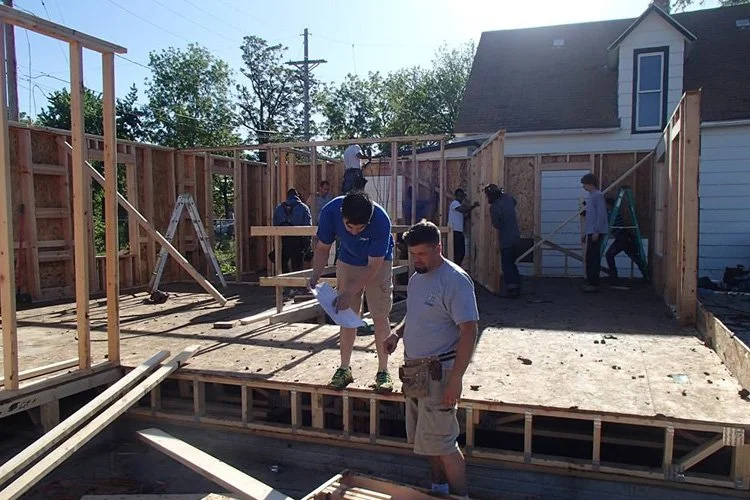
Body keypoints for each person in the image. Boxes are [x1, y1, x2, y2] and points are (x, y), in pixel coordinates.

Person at [384, 220, 478, 499]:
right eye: (412, 254)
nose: (417, 260)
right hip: (415, 371)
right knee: (426, 442)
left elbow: (469, 330)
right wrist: (397, 333)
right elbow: (414, 315)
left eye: (422, 254)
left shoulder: (455, 281)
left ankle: (461, 496)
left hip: (440, 372)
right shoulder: (417, 278)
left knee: (444, 443)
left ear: (439, 248)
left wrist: (456, 380)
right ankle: (439, 491)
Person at [309, 191, 395, 392]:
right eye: (349, 226)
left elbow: (373, 266)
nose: (355, 232)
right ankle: (344, 368)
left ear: (370, 218)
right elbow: (322, 249)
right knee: (346, 315)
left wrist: (349, 292)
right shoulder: (330, 212)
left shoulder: (381, 220)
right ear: (342, 215)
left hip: (378, 262)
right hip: (348, 260)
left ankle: (383, 371)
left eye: (361, 228)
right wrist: (315, 275)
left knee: (380, 315)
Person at [484, 184, 521, 298]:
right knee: (513, 263)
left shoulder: (494, 207)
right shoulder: (508, 199)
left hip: (506, 239)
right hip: (516, 237)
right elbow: (514, 202)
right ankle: (517, 287)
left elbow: (497, 224)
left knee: (507, 264)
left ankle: (512, 290)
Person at [605, 197, 647, 281]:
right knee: (633, 256)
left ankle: (613, 275)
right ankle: (645, 274)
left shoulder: (611, 213)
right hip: (623, 236)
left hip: (622, 238)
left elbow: (603, 217)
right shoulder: (613, 211)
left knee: (610, 254)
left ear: (608, 205)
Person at [271, 188, 312, 274]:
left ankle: (285, 283)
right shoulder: (304, 208)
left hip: (284, 241)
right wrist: (308, 244)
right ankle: (296, 285)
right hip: (298, 241)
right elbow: (308, 226)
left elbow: (274, 225)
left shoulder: (279, 208)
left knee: (282, 262)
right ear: (297, 196)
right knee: (297, 266)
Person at [581, 174, 607, 292]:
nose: (583, 187)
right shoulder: (591, 197)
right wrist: (586, 233)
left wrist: (596, 231)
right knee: (589, 257)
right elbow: (590, 216)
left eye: (584, 184)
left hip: (596, 231)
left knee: (593, 257)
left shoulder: (598, 196)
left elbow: (601, 215)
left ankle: (594, 283)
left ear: (590, 183)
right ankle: (590, 282)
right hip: (591, 231)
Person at [448, 188, 480, 267]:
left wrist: (468, 215)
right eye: (459, 196)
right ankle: (455, 267)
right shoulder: (454, 203)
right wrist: (473, 206)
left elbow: (463, 216)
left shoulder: (457, 205)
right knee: (458, 253)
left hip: (458, 231)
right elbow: (463, 210)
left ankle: (457, 266)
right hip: (454, 232)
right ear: (456, 196)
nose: (461, 198)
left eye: (462, 196)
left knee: (461, 252)